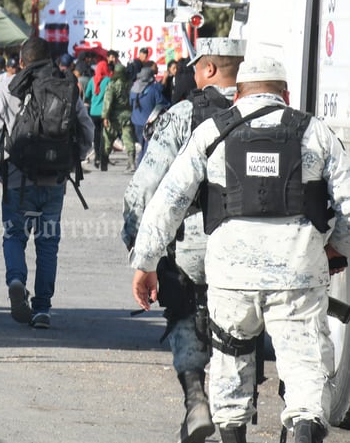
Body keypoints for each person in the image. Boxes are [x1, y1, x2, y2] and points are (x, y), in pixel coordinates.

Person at [130, 57, 350, 443]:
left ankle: (233, 433)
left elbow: (168, 199)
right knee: (305, 371)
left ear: (239, 94)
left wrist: (146, 261)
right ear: (285, 94)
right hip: (298, 277)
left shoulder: (212, 133)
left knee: (230, 363)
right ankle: (303, 428)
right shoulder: (315, 132)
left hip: (231, 279)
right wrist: (336, 247)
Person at [122, 37, 245, 443]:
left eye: (196, 67)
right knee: (240, 331)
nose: (191, 75)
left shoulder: (182, 115)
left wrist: (142, 253)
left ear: (209, 69)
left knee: (184, 318)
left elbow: (143, 191)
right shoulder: (268, 112)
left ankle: (196, 399)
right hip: (253, 246)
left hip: (192, 245)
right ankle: (236, 423)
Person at [0, 37, 94, 329]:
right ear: (49, 58)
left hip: (17, 177)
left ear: (22, 61)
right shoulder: (66, 85)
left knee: (15, 235)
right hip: (54, 180)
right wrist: (68, 161)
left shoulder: (7, 85)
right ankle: (42, 310)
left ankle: (16, 279)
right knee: (48, 244)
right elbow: (87, 132)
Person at [129, 65, 169, 164]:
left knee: (142, 146)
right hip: (148, 124)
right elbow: (164, 103)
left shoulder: (133, 90)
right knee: (147, 147)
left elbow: (130, 104)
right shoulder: (153, 90)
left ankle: (139, 164)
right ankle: (142, 167)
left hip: (136, 122)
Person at [102, 62, 137, 173]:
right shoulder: (130, 84)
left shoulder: (112, 85)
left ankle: (104, 163)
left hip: (114, 117)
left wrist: (105, 117)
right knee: (128, 139)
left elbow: (108, 102)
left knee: (108, 140)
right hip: (127, 116)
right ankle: (131, 163)